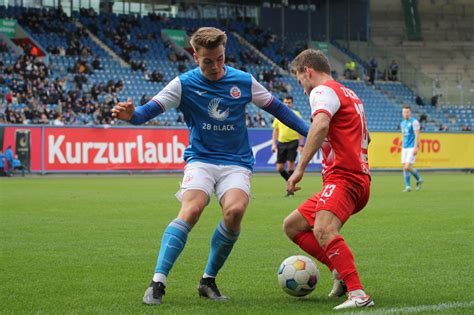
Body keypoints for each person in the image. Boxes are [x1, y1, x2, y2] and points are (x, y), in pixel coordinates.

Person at [111, 27, 309, 305]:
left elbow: (278, 109)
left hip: (236, 162)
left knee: (235, 211)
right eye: (208, 61)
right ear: (195, 56)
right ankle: (157, 282)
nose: (216, 66)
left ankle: (208, 280)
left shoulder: (243, 80)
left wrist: (312, 133)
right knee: (191, 209)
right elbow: (144, 113)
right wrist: (131, 115)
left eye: (220, 58)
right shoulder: (183, 84)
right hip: (201, 159)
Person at [283, 49, 374, 310]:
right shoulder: (350, 94)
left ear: (307, 71)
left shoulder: (321, 92)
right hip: (355, 177)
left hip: (344, 177)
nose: (302, 90)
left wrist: (299, 168)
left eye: (300, 81)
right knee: (293, 225)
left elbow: (320, 124)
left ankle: (358, 294)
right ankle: (339, 272)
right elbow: (368, 138)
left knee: (323, 229)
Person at [271, 96, 304, 196]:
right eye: (285, 102)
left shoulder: (296, 114)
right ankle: (291, 185)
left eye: (289, 102)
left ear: (292, 103)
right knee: (280, 168)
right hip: (281, 143)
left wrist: (301, 144)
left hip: (293, 142)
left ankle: (290, 191)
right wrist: (273, 143)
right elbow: (275, 130)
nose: (287, 104)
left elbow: (300, 129)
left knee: (290, 167)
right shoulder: (278, 115)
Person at [400, 106, 423, 192]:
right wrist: (402, 146)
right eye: (404, 112)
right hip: (405, 147)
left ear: (410, 112)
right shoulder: (402, 123)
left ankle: (418, 179)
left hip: (411, 147)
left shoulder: (414, 122)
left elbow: (417, 135)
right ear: (402, 113)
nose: (406, 113)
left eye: (407, 112)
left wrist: (416, 147)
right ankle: (408, 186)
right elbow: (403, 135)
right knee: (404, 167)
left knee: (407, 167)